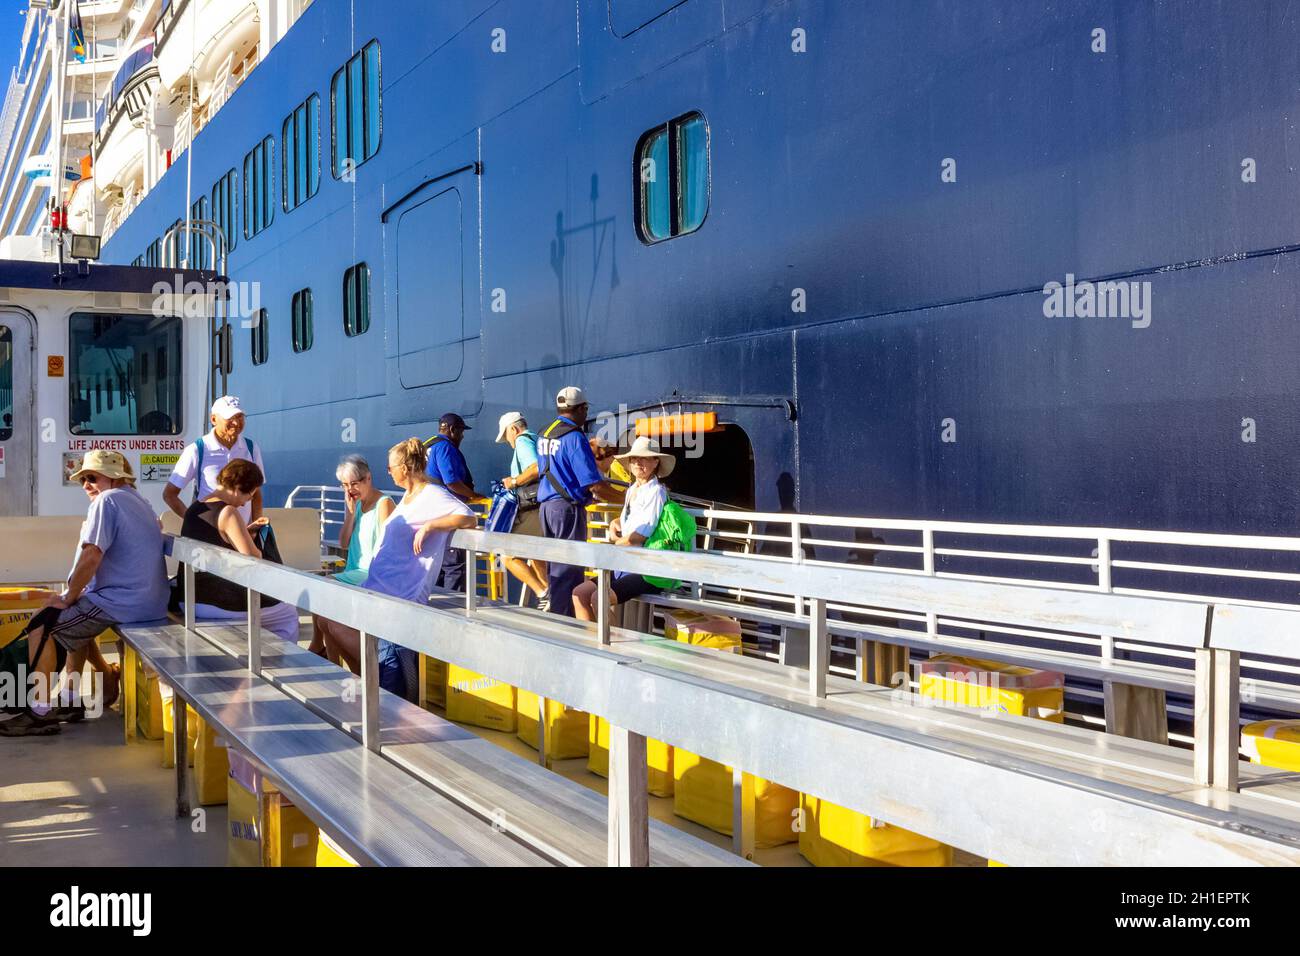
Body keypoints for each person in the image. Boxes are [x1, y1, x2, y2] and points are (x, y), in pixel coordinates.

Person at [0, 451, 168, 736]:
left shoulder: (108, 501)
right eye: (84, 479)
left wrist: (66, 596)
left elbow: (92, 555)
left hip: (122, 601)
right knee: (75, 621)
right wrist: (73, 596)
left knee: (44, 625)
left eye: (93, 477)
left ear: (115, 476)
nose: (87, 484)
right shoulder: (139, 501)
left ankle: (39, 711)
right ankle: (69, 698)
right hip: (146, 599)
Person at [319, 439, 476, 701]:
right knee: (328, 618)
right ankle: (368, 680)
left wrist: (431, 526)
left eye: (391, 467)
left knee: (335, 621)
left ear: (405, 467)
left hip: (400, 594)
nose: (388, 472)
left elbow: (468, 517)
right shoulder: (408, 496)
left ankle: (374, 682)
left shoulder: (433, 494)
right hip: (379, 586)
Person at [174, 459, 301, 643]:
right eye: (249, 496)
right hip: (217, 603)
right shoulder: (227, 512)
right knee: (287, 613)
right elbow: (253, 558)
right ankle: (282, 665)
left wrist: (245, 531)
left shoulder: (195, 507)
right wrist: (255, 540)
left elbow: (214, 538)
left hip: (188, 598)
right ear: (238, 487)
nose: (244, 504)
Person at [535, 386, 624, 616]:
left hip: (546, 509)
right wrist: (628, 498)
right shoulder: (574, 437)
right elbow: (594, 485)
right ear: (582, 408)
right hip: (567, 511)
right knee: (570, 571)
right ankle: (565, 625)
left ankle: (558, 616)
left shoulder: (544, 433)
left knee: (555, 569)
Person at [573, 437, 675, 621]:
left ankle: (609, 647)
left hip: (647, 569)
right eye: (635, 458)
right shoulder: (632, 489)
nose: (638, 462)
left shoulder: (656, 491)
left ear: (656, 462)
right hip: (626, 564)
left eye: (644, 458)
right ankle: (590, 643)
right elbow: (630, 524)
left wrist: (614, 545)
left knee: (598, 597)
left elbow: (641, 536)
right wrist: (616, 524)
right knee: (579, 594)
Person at [307, 455, 394, 658]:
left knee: (324, 584)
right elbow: (344, 543)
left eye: (354, 484)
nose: (349, 490)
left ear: (368, 478)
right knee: (323, 620)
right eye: (344, 485)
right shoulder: (357, 506)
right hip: (353, 571)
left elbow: (385, 549)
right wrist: (349, 514)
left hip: (370, 573)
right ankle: (335, 664)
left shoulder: (384, 504)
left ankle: (318, 645)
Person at [164, 395, 266, 526]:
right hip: (210, 537)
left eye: (240, 417)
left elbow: (256, 495)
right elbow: (169, 494)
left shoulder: (251, 448)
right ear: (213, 419)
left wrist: (255, 530)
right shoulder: (196, 450)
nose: (236, 423)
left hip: (242, 535)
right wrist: (194, 521)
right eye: (230, 418)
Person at [425, 412, 483, 593]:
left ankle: (435, 605)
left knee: (438, 566)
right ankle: (454, 610)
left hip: (431, 512)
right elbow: (451, 482)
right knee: (454, 566)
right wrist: (473, 495)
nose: (462, 436)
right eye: (460, 431)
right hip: (447, 514)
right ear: (451, 430)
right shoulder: (444, 447)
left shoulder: (428, 446)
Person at [496, 411, 548, 608]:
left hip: (531, 508)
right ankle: (549, 595)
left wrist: (514, 481)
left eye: (506, 436)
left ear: (513, 429)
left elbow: (535, 467)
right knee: (536, 554)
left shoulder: (522, 441)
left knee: (507, 555)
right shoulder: (537, 438)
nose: (508, 441)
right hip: (541, 505)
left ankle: (543, 592)